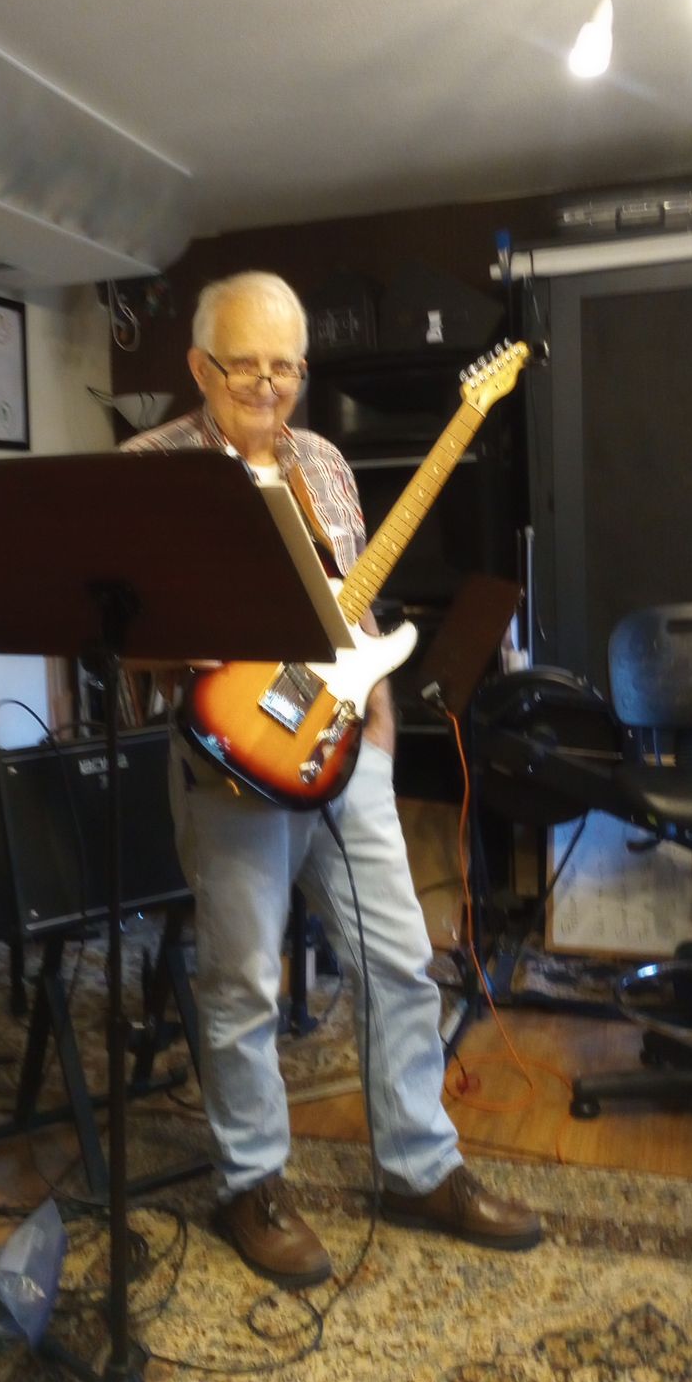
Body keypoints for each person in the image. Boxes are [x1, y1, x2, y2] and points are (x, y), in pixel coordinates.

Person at [122, 271, 540, 1289]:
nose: (269, 387)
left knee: (400, 962)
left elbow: (357, 610)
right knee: (241, 983)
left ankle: (419, 1166)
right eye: (244, 368)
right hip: (232, 758)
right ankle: (252, 1183)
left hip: (351, 754)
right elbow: (125, 636)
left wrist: (380, 726)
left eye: (286, 368)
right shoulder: (151, 471)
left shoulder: (325, 461)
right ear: (198, 367)